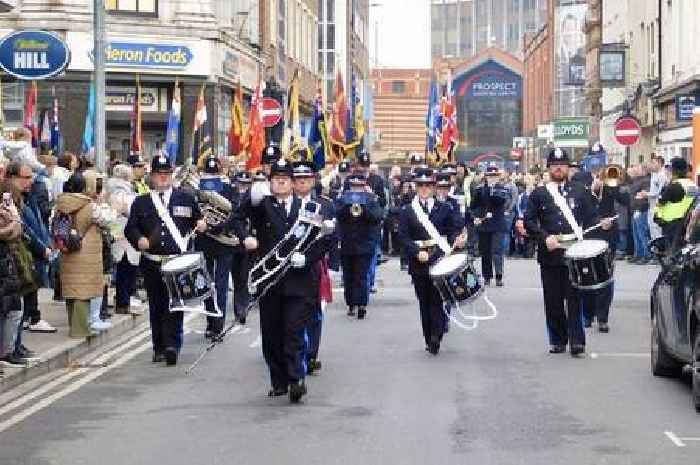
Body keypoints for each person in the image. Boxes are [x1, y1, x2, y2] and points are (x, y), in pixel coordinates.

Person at [232, 158, 331, 403]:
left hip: (301, 282)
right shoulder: (260, 206)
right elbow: (234, 219)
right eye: (276, 179)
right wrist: (246, 238)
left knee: (293, 332)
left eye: (285, 179)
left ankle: (297, 379)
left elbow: (326, 240)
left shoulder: (309, 208)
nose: (281, 182)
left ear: (292, 183)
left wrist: (307, 258)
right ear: (270, 182)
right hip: (270, 282)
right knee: (272, 335)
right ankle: (279, 381)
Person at [524, 148, 607, 357]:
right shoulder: (539, 194)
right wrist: (544, 237)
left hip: (574, 254)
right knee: (553, 300)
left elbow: (590, 218)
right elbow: (529, 221)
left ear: (568, 168)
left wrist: (601, 224)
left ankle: (577, 341)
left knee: (574, 298)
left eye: (562, 165)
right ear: (549, 168)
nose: (558, 168)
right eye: (554, 165)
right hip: (550, 253)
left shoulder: (580, 190)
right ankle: (557, 340)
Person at [125, 155, 206, 366]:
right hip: (152, 262)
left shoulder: (185, 198)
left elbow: (197, 220)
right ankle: (159, 346)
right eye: (159, 174)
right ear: (152, 176)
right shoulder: (141, 201)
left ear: (171, 175)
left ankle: (173, 345)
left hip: (176, 261)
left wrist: (202, 224)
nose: (163, 178)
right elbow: (130, 228)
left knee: (175, 304)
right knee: (157, 305)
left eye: (167, 174)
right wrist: (139, 239)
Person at [397, 168, 464, 355]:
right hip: (419, 261)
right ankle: (428, 336)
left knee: (437, 299)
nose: (424, 188)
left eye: (428, 185)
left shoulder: (444, 208)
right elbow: (403, 237)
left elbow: (453, 230)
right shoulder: (408, 211)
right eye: (421, 185)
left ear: (434, 187)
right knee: (424, 300)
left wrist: (457, 240)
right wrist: (416, 252)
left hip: (439, 259)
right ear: (416, 187)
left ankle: (436, 335)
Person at [291, 159, 335, 374]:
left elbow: (330, 237)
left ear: (313, 180)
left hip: (313, 264)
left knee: (313, 312)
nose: (301, 184)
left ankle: (310, 355)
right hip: (285, 265)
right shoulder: (284, 204)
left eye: (306, 179)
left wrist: (309, 258)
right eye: (298, 179)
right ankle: (294, 354)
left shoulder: (325, 205)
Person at [55, 173, 112, 337]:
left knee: (71, 289)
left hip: (67, 249)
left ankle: (74, 325)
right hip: (86, 252)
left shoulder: (60, 203)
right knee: (83, 291)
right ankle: (80, 330)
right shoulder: (89, 205)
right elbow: (106, 220)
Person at [7, 162, 56, 334]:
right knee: (15, 308)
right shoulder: (10, 200)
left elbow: (37, 224)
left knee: (20, 306)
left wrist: (45, 243)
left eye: (31, 177)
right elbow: (23, 229)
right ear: (12, 178)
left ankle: (17, 343)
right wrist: (41, 248)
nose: (30, 181)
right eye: (26, 177)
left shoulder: (26, 197)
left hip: (29, 253)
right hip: (17, 255)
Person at [195, 156, 237, 339]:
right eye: (208, 173)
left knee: (220, 284)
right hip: (204, 243)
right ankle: (210, 321)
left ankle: (218, 325)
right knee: (205, 284)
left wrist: (212, 227)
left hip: (224, 242)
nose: (210, 177)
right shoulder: (196, 191)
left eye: (213, 173)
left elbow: (234, 214)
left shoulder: (229, 189)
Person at [336, 173, 382, 319]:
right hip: (347, 244)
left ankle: (362, 305)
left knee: (361, 276)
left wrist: (364, 208)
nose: (356, 190)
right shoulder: (343, 199)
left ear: (364, 186)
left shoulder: (371, 199)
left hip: (365, 244)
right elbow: (337, 214)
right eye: (354, 187)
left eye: (359, 187)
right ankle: (350, 303)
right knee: (348, 276)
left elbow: (377, 217)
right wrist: (347, 206)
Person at [107, 164, 142, 315]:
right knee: (127, 269)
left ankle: (123, 300)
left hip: (116, 234)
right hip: (126, 235)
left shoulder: (109, 189)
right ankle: (123, 301)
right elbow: (130, 210)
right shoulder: (123, 192)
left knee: (121, 268)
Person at [0, 179, 25, 368]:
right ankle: (6, 352)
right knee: (9, 310)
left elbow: (17, 232)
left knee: (14, 308)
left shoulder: (8, 212)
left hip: (8, 264)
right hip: (5, 265)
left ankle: (9, 351)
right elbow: (10, 232)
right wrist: (14, 220)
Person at [471, 164, 509, 287]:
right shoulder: (479, 189)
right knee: (485, 251)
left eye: (494, 176)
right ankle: (487, 276)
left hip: (497, 224)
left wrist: (492, 189)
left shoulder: (501, 189)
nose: (492, 178)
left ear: (498, 177)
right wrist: (476, 216)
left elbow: (499, 200)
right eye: (490, 176)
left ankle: (499, 276)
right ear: (486, 177)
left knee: (497, 251)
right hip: (484, 223)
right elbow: (473, 205)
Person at [230, 171, 253, 324]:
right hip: (231, 243)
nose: (243, 187)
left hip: (247, 243)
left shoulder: (253, 200)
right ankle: (238, 307)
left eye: (246, 184)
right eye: (241, 184)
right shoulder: (230, 198)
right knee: (236, 277)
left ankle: (241, 308)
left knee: (243, 278)